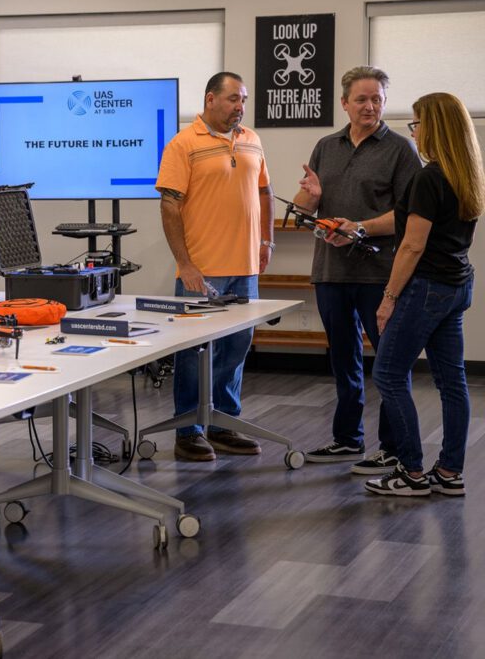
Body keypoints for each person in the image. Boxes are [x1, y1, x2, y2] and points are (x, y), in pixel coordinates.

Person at [297, 67, 422, 473]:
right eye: (362, 99)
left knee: (389, 364)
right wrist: (311, 197)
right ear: (344, 103)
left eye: (377, 100)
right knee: (344, 360)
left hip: (380, 274)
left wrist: (360, 228)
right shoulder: (325, 146)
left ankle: (392, 447)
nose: (370, 106)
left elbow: (408, 215)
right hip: (331, 271)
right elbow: (305, 210)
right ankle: (347, 439)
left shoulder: (401, 149)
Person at [364, 93, 482, 497]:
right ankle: (450, 472)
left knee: (388, 373)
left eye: (417, 123)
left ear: (434, 127)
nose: (413, 131)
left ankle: (411, 472)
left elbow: (412, 246)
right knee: (452, 381)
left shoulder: (429, 177)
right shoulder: (467, 174)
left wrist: (389, 297)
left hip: (427, 287)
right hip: (457, 284)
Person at [155, 72, 274, 462]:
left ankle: (223, 424)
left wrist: (266, 241)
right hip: (201, 271)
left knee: (236, 349)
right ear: (210, 99)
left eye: (244, 100)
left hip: (245, 268)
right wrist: (184, 263)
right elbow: (169, 207)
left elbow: (265, 191)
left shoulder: (252, 139)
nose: (240, 106)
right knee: (193, 352)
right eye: (233, 99)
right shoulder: (183, 144)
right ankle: (188, 431)